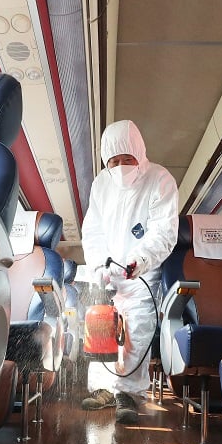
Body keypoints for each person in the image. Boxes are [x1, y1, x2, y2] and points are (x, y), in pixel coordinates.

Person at [79, 120, 179, 424]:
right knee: (100, 329)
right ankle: (103, 389)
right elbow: (93, 230)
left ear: (140, 154)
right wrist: (97, 264)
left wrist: (141, 259)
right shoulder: (101, 184)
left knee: (136, 329)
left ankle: (128, 395)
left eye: (128, 160)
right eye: (114, 161)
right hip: (107, 274)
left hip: (141, 275)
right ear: (105, 162)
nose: (121, 167)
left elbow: (164, 230)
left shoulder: (160, 179)